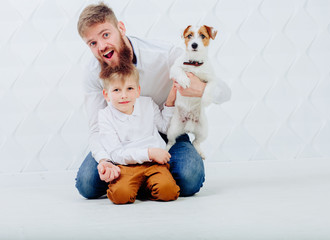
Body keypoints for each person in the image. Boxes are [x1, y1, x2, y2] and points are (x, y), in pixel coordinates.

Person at [75, 2, 231, 199]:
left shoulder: (163, 56)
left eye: (106, 35)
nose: (101, 47)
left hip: (165, 130)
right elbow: (97, 129)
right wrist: (105, 160)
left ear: (121, 28)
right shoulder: (92, 74)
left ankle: (138, 179)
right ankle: (145, 178)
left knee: (190, 177)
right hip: (120, 139)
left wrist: (201, 89)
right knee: (87, 185)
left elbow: (225, 93)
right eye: (92, 43)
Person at [98, 64, 179, 204]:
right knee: (120, 196)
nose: (124, 95)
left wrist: (171, 100)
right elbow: (116, 153)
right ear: (107, 95)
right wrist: (148, 153)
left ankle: (146, 186)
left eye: (130, 89)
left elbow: (165, 127)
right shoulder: (105, 116)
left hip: (154, 164)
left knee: (168, 192)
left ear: (137, 90)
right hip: (126, 166)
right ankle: (136, 187)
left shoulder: (147, 104)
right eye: (116, 90)